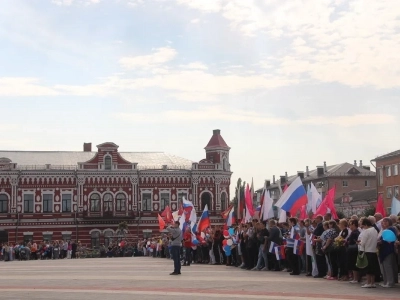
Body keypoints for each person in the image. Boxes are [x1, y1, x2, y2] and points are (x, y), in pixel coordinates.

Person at [358, 218, 379, 288]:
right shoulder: (375, 230)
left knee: (367, 268)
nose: (363, 228)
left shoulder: (366, 231)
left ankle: (368, 282)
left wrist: (359, 242)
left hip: (367, 251)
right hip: (373, 251)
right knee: (373, 268)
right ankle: (372, 283)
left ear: (366, 225)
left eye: (363, 226)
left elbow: (363, 242)